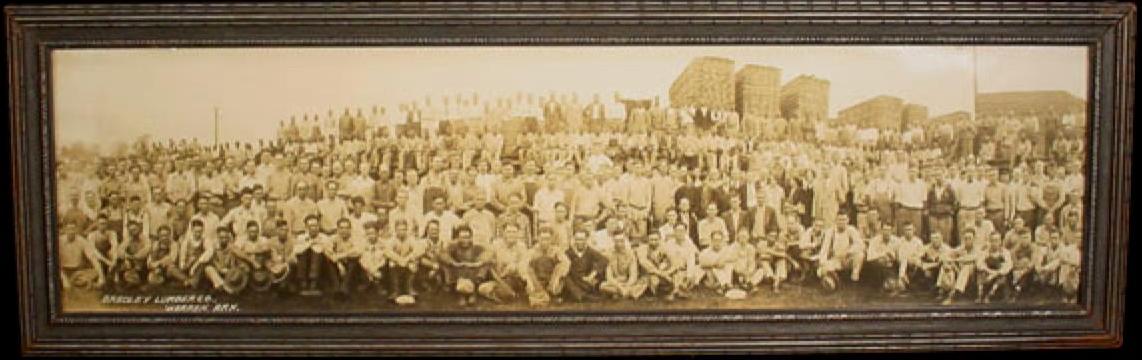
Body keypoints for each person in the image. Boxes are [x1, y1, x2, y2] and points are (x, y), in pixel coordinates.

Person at [440, 225, 491, 306]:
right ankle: (461, 295)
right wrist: (454, 263)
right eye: (462, 237)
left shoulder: (476, 246)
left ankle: (472, 293)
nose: (465, 240)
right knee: (448, 266)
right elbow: (443, 255)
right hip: (458, 271)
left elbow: (488, 254)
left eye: (467, 237)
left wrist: (478, 263)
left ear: (471, 237)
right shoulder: (453, 246)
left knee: (485, 265)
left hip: (473, 272)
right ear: (458, 238)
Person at [384, 219, 427, 302]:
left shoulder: (410, 239)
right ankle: (395, 290)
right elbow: (387, 251)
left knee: (414, 263)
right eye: (399, 230)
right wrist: (399, 259)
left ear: (407, 230)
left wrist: (407, 259)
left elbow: (420, 250)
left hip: (407, 262)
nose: (402, 232)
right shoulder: (392, 240)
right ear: (395, 230)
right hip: (397, 262)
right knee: (391, 263)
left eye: (404, 229)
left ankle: (409, 288)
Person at [203, 226, 253, 295]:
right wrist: (219, 268)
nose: (223, 240)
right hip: (218, 273)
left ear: (228, 238)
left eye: (225, 237)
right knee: (208, 269)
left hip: (230, 273)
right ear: (218, 238)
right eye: (221, 237)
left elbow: (241, 257)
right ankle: (225, 287)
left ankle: (223, 287)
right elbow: (209, 260)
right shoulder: (213, 247)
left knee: (244, 267)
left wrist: (240, 267)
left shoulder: (232, 247)